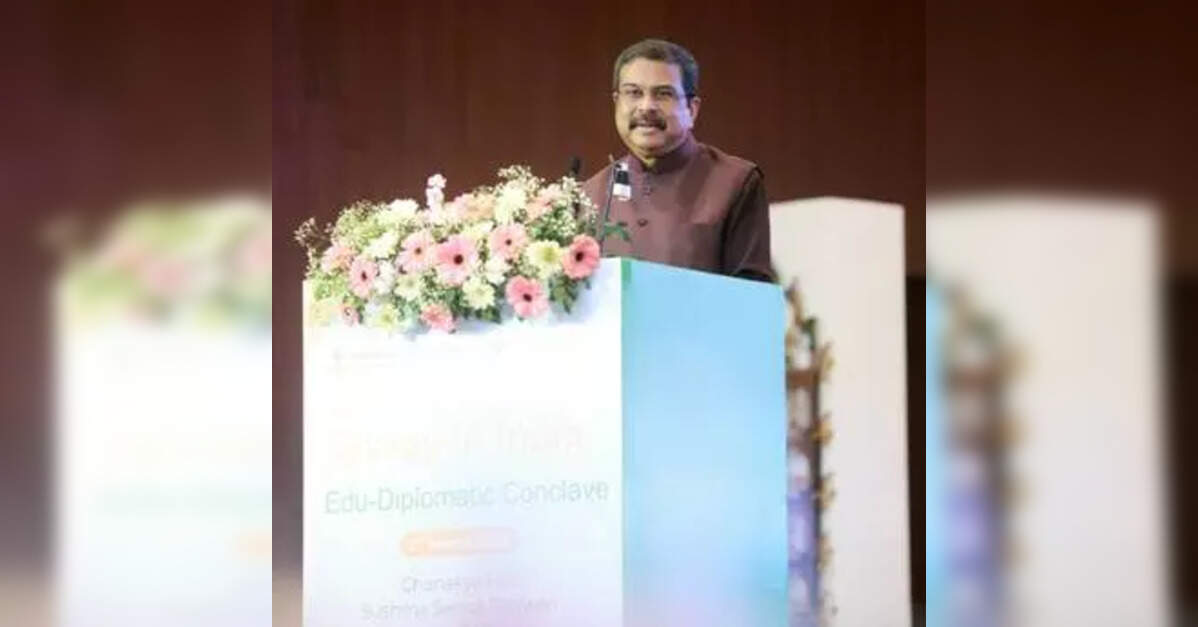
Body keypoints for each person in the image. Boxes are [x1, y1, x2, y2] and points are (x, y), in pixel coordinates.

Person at [582, 38, 774, 283]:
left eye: (663, 94)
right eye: (634, 93)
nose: (646, 107)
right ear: (616, 103)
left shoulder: (735, 182)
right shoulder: (590, 195)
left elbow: (751, 294)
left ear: (692, 109)